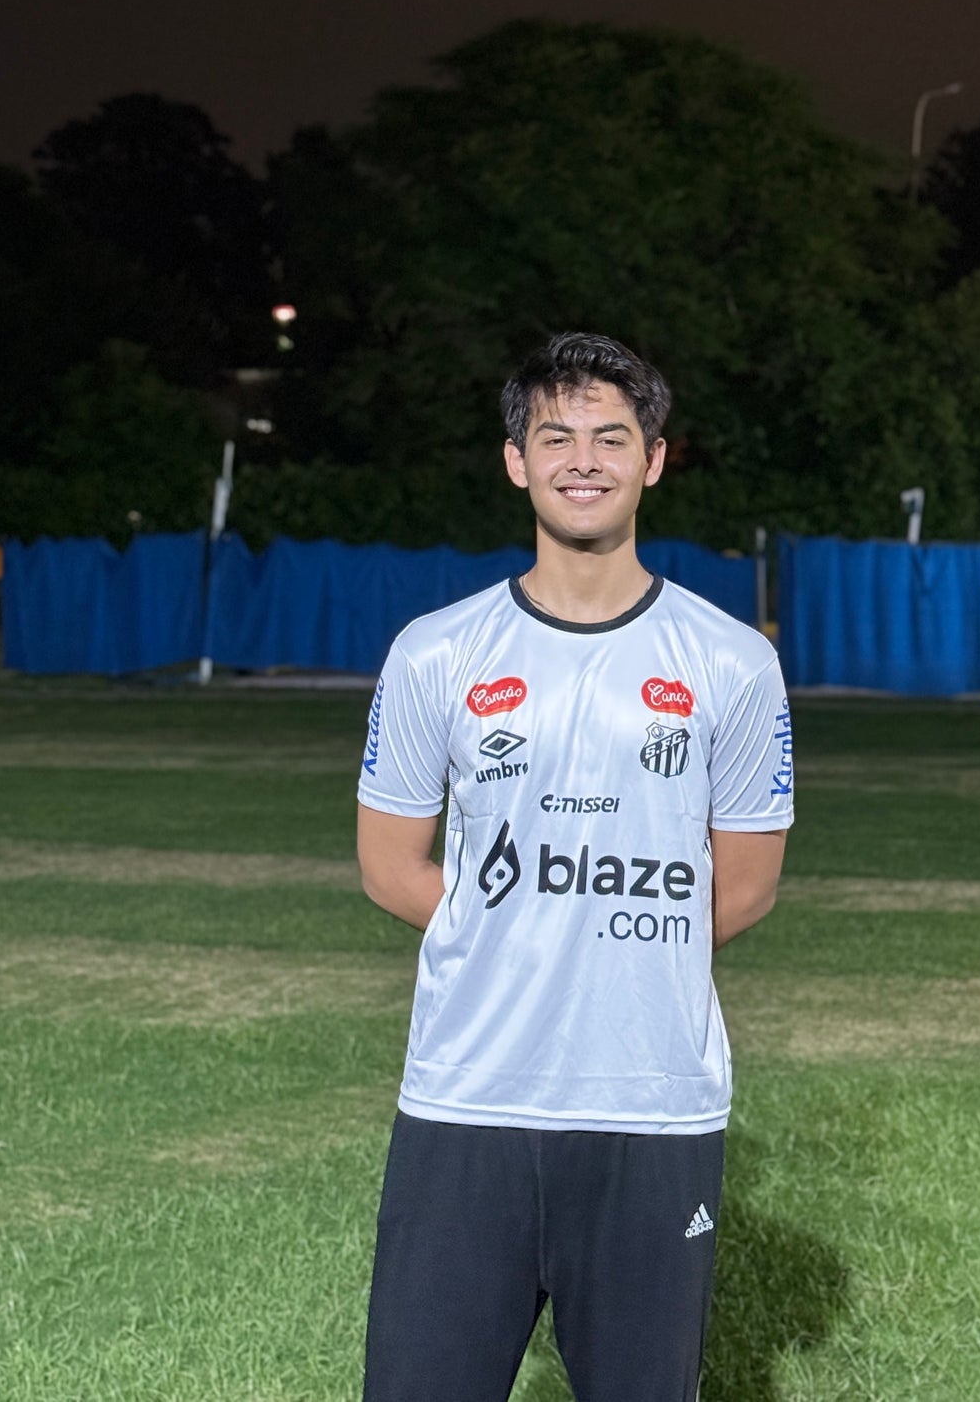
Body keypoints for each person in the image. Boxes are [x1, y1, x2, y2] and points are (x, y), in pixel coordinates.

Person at [356, 331, 793, 1402]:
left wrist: (612, 953)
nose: (582, 457)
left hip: (652, 1106)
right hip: (466, 1101)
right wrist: (520, 941)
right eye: (555, 436)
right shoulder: (434, 651)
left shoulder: (731, 661)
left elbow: (740, 884)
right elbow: (389, 865)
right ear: (516, 461)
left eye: (611, 434)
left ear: (653, 458)